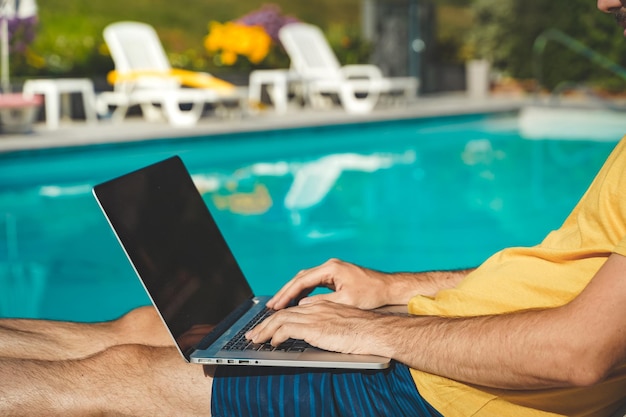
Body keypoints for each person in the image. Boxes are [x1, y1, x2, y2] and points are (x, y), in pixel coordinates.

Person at [2, 2, 626, 415]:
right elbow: (578, 275)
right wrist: (391, 289)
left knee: (124, 375)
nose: (602, 1)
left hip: (447, 392)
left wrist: (373, 330)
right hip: (450, 343)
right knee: (150, 327)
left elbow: (578, 353)